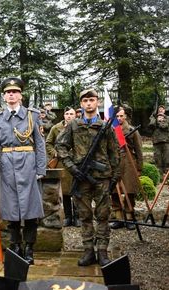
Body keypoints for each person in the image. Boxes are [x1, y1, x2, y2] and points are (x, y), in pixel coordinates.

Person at [55, 88, 120, 267]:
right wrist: (71, 167)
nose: (89, 103)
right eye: (85, 101)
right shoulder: (74, 125)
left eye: (92, 100)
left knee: (103, 215)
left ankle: (102, 251)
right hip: (81, 178)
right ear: (81, 104)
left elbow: (115, 153)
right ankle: (88, 251)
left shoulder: (105, 126)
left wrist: (114, 177)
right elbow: (60, 146)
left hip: (102, 177)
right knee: (84, 215)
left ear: (97, 102)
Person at [0, 77, 46, 265]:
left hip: (28, 164)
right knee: (10, 208)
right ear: (4, 97)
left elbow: (40, 144)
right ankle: (15, 246)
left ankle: (29, 248)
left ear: (20, 95)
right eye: (7, 92)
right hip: (6, 166)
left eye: (14, 92)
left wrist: (40, 167)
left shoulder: (32, 116)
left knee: (30, 208)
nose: (11, 95)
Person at [110, 106, 143, 230]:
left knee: (129, 191)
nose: (119, 118)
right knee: (114, 191)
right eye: (117, 116)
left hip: (129, 163)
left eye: (121, 116)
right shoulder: (111, 130)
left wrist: (139, 167)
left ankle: (129, 218)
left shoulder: (132, 130)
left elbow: (139, 150)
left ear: (126, 116)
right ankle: (118, 218)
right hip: (115, 162)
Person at [46, 107, 79, 227]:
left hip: (75, 162)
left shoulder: (79, 127)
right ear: (64, 115)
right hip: (61, 163)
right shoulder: (56, 128)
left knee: (77, 190)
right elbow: (48, 143)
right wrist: (55, 153)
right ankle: (68, 217)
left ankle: (77, 216)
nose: (69, 116)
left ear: (75, 115)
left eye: (71, 114)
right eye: (67, 114)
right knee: (65, 191)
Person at [148, 104, 168, 175]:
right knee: (158, 160)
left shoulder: (167, 118)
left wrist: (159, 122)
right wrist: (154, 118)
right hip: (156, 142)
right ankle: (160, 177)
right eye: (159, 109)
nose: (160, 110)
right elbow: (151, 126)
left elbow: (165, 126)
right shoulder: (153, 118)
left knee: (166, 159)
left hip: (166, 141)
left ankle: (167, 177)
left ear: (164, 111)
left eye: (162, 109)